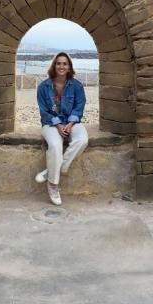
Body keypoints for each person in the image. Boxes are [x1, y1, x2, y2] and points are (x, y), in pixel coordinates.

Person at [32, 53, 88, 206]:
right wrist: (58, 125)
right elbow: (44, 111)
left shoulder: (76, 85)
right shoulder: (44, 87)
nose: (61, 66)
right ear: (54, 66)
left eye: (65, 63)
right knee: (56, 145)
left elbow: (79, 106)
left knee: (82, 139)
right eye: (58, 63)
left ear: (69, 66)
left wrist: (69, 124)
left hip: (71, 122)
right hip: (50, 123)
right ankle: (53, 184)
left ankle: (52, 170)